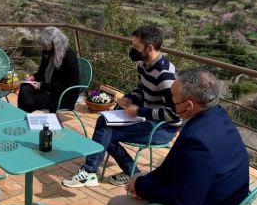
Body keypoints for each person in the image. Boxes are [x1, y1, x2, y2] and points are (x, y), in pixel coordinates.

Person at [106, 68, 250, 205]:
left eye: (173, 99)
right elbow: (184, 172)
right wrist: (145, 181)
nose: (170, 103)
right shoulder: (219, 117)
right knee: (143, 180)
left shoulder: (198, 141)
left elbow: (184, 201)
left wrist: (141, 186)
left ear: (189, 105)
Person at [62, 24, 181, 188]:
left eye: (136, 46)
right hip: (148, 118)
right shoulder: (143, 64)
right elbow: (141, 89)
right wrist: (130, 98)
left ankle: (91, 172)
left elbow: (174, 115)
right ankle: (129, 172)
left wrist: (140, 110)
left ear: (150, 47)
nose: (132, 50)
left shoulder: (165, 76)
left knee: (106, 134)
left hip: (162, 128)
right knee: (104, 123)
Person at [18, 26, 80, 113]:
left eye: (45, 45)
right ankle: (24, 114)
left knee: (31, 100)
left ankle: (26, 115)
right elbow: (41, 72)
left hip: (63, 95)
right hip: (48, 88)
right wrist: (33, 77)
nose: (42, 48)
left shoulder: (68, 57)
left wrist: (41, 86)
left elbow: (66, 85)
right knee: (24, 87)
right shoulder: (48, 51)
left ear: (54, 44)